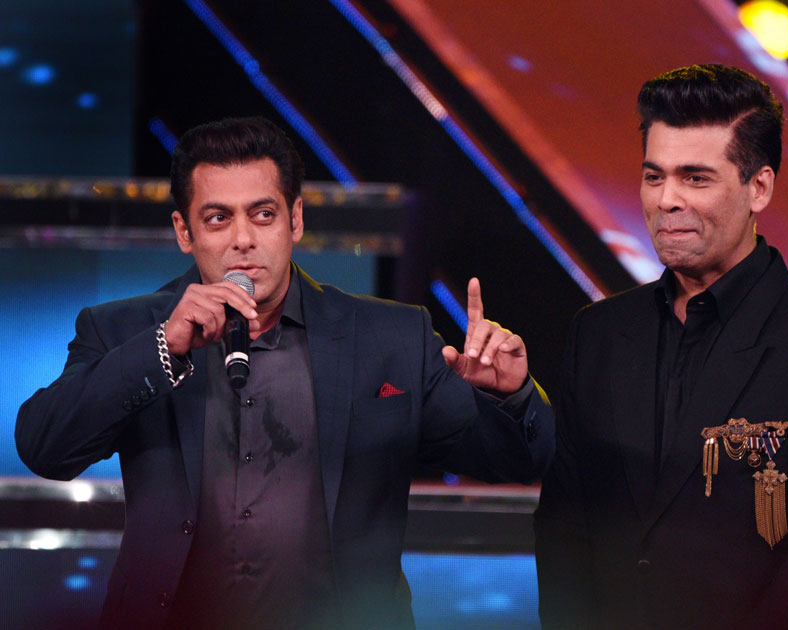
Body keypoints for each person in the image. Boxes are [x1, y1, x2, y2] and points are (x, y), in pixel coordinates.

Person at [16, 116, 554, 629]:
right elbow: (45, 446)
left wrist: (512, 397)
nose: (243, 239)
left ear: (295, 219)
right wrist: (162, 349)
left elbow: (519, 458)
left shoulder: (389, 338)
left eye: (263, 214)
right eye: (218, 217)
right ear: (184, 231)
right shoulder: (124, 330)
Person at [534, 64, 788, 630]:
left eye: (695, 178)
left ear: (760, 188)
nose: (666, 200)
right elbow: (564, 526)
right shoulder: (596, 333)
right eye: (654, 176)